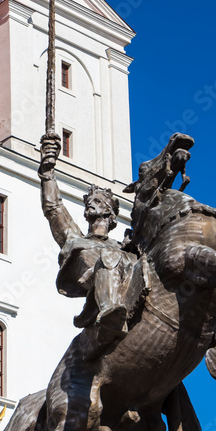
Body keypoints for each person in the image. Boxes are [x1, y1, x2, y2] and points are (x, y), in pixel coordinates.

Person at [39, 133, 137, 358]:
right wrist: (47, 174)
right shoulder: (75, 238)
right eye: (89, 201)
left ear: (110, 213)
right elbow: (54, 208)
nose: (90, 203)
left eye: (98, 200)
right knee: (110, 259)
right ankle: (109, 313)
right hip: (94, 294)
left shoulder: (121, 247)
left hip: (124, 291)